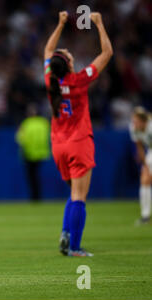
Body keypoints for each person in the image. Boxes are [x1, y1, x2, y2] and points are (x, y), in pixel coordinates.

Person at [43, 11, 113, 256]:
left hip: (58, 145)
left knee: (73, 193)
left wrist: (60, 22)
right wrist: (99, 23)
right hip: (79, 143)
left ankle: (65, 234)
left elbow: (47, 51)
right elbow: (107, 54)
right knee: (80, 197)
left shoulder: (49, 80)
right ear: (70, 64)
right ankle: (74, 247)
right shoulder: (79, 80)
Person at [16, 104, 50, 201]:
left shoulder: (26, 123)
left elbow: (20, 138)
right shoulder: (44, 123)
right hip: (41, 154)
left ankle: (34, 197)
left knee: (31, 178)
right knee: (37, 176)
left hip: (29, 154)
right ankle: (38, 197)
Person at [129, 106, 152, 225]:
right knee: (144, 180)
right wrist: (145, 165)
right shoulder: (134, 128)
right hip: (151, 152)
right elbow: (139, 147)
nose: (134, 123)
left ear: (144, 121)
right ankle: (145, 216)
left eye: (136, 121)